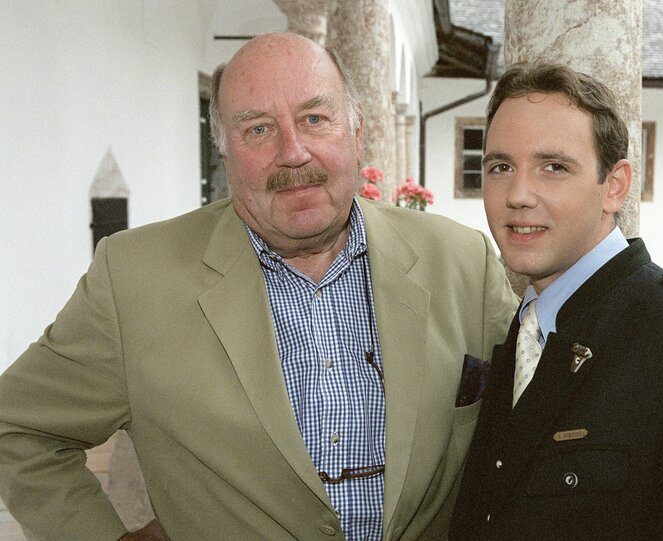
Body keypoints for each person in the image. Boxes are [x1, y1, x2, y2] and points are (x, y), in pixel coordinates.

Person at [0, 33, 518, 540]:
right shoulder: (132, 280)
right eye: (258, 129)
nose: (293, 153)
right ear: (225, 157)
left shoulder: (462, 262)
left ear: (358, 134)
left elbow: (540, 421)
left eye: (314, 119)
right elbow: (17, 427)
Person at [449, 61, 663, 540]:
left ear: (614, 186)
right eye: (500, 167)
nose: (519, 194)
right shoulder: (526, 330)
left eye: (554, 167)